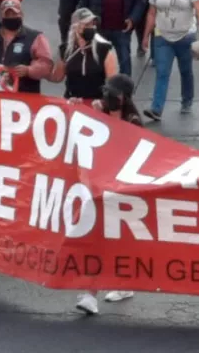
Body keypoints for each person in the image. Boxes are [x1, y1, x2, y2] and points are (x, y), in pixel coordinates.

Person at [75, 73, 141, 315]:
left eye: (111, 94)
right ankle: (89, 293)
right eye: (105, 92)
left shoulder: (133, 123)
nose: (106, 97)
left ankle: (117, 286)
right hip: (96, 188)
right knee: (95, 240)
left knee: (111, 241)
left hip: (120, 191)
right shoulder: (97, 113)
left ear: (122, 98)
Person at [142, 0, 199, 120]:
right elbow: (151, 13)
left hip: (186, 36)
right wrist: (145, 36)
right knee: (162, 72)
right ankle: (157, 108)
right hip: (162, 37)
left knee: (186, 71)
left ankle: (187, 100)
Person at [0, 0, 53, 94]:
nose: (11, 17)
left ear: (21, 15)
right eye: (7, 15)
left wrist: (29, 70)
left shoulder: (36, 37)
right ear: (1, 17)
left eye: (14, 14)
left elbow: (46, 64)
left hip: (24, 97)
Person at [49, 7, 118, 100]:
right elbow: (57, 78)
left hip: (96, 103)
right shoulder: (65, 50)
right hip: (72, 101)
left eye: (93, 24)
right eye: (87, 24)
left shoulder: (104, 49)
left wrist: (104, 103)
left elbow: (113, 84)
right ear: (75, 27)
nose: (92, 27)